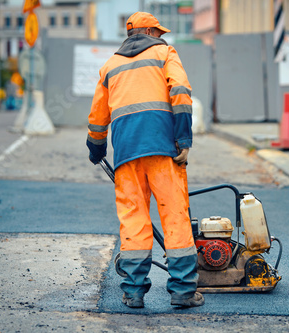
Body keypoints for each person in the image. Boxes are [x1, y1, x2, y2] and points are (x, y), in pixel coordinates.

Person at [86, 12, 204, 309]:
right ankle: (183, 292)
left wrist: (96, 146)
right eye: (158, 32)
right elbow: (180, 92)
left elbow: (98, 114)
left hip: (126, 153)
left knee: (134, 220)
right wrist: (184, 140)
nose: (161, 36)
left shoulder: (110, 65)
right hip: (164, 149)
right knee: (175, 216)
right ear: (150, 30)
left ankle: (134, 292)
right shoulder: (165, 53)